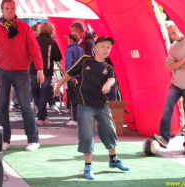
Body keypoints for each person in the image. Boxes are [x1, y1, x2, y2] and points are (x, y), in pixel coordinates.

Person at [53, 36, 130, 179]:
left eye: (109, 47)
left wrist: (108, 83)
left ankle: (113, 159)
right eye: (103, 46)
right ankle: (88, 166)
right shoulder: (85, 60)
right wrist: (58, 87)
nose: (106, 49)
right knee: (87, 134)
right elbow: (69, 73)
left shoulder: (109, 67)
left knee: (110, 130)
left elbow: (112, 79)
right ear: (96, 47)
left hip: (103, 106)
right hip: (85, 105)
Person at [0, 0, 44, 151]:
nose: (10, 11)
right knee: (2, 108)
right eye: (7, 8)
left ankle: (33, 140)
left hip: (21, 72)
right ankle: (4, 140)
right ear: (2, 10)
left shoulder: (25, 28)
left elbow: (35, 49)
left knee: (25, 107)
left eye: (12, 8)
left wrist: (40, 69)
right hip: (2, 72)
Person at [152, 21, 185, 155]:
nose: (172, 35)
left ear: (180, 30)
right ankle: (164, 138)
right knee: (167, 109)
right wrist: (183, 61)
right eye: (170, 34)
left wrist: (176, 64)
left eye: (174, 32)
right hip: (176, 84)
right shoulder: (173, 47)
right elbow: (170, 66)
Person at [30, 22, 62, 126]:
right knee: (44, 93)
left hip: (34, 70)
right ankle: (42, 116)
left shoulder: (34, 40)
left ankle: (42, 116)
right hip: (47, 72)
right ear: (51, 30)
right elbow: (58, 57)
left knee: (35, 93)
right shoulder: (52, 42)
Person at [64, 32, 85, 126]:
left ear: (71, 40)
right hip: (82, 77)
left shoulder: (70, 50)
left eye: (68, 39)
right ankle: (80, 118)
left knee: (73, 99)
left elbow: (69, 64)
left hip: (72, 78)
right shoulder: (81, 50)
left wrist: (71, 77)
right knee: (80, 99)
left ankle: (75, 119)